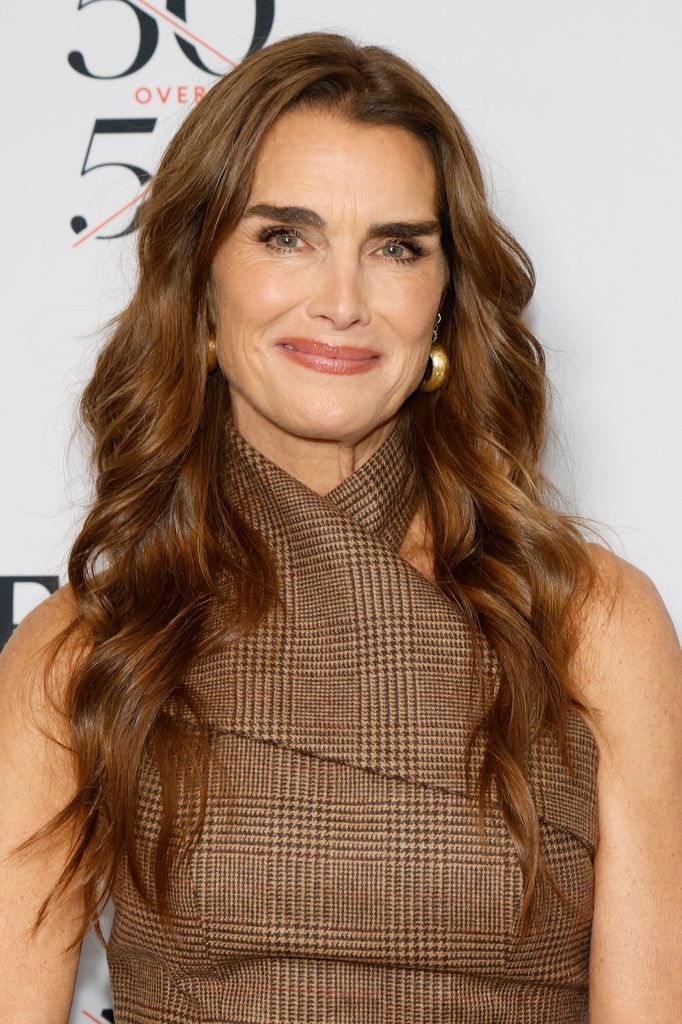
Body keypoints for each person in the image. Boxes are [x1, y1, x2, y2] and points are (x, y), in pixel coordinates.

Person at [0, 30, 680, 1024]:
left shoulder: (590, 622)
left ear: (445, 301)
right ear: (200, 280)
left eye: (396, 248)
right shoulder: (88, 644)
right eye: (286, 236)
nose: (342, 301)